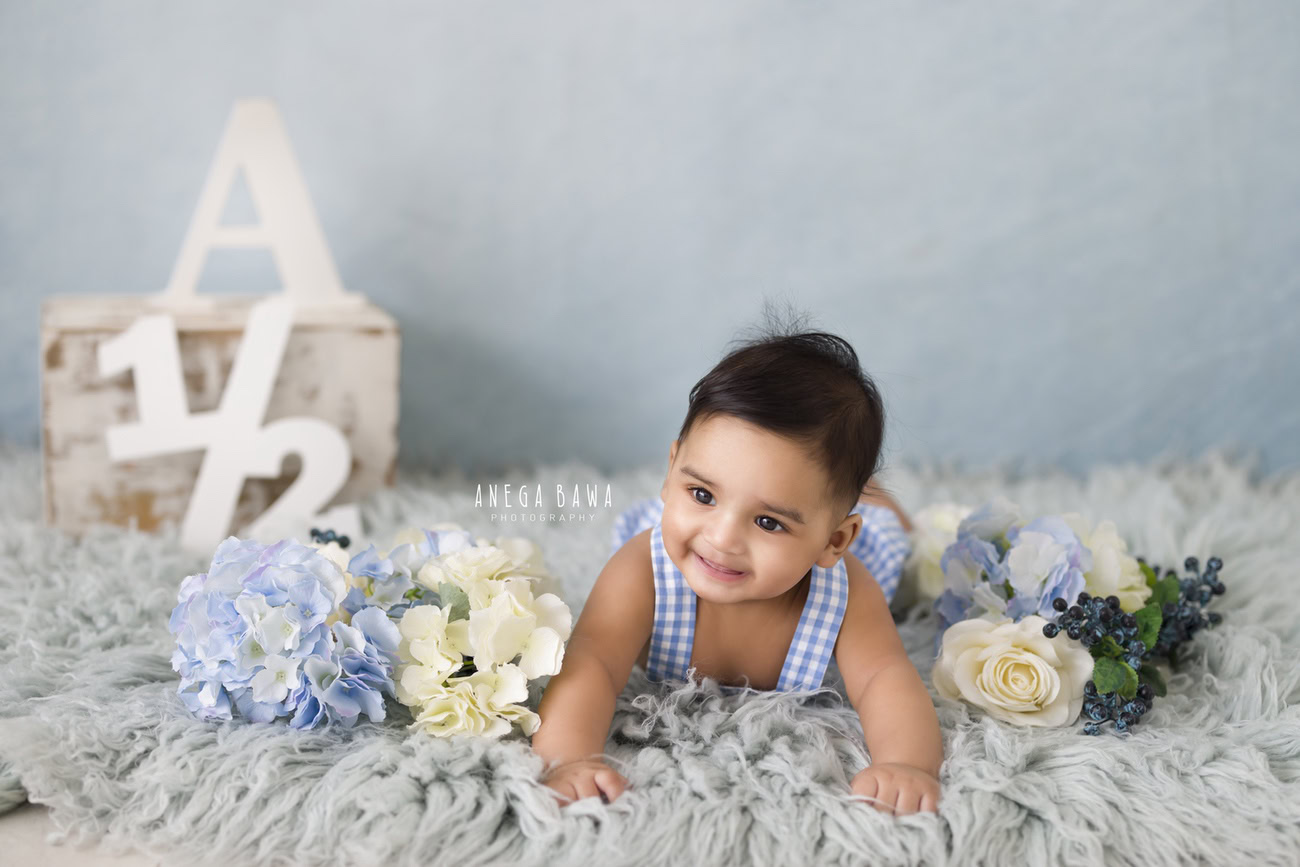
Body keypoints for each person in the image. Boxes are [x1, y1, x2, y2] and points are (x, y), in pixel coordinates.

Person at [529, 322, 942, 815]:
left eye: (768, 522)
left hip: (850, 545)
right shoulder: (642, 569)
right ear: (670, 472)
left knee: (889, 531)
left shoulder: (847, 589)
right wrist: (567, 759)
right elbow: (591, 666)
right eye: (701, 493)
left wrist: (908, 764)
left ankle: (873, 498)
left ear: (833, 541)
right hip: (676, 548)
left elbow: (885, 679)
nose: (722, 538)